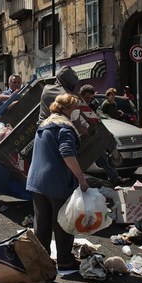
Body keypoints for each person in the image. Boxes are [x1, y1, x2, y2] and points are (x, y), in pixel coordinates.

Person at [26, 94, 88, 272]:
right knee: (63, 223)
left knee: (42, 224)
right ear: (67, 109)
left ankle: (43, 262)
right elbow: (67, 152)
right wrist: (81, 178)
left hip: (36, 181)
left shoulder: (44, 125)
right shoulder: (65, 127)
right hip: (56, 181)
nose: (77, 111)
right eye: (76, 108)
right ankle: (65, 261)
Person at [80, 84, 122, 186]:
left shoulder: (93, 106)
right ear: (81, 96)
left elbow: (97, 122)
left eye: (90, 98)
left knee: (102, 156)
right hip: (81, 139)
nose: (89, 100)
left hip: (92, 138)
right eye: (86, 98)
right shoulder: (75, 104)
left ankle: (115, 178)